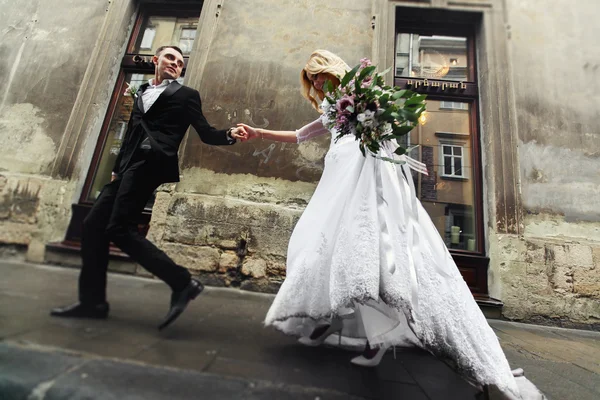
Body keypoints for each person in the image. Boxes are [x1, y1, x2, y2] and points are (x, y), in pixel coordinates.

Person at [239, 50, 545, 399]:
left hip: (362, 180)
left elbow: (383, 137)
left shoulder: (363, 95)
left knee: (371, 258)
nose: (317, 83)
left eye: (319, 75)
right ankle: (328, 320)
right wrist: (257, 133)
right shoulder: (332, 109)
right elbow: (299, 135)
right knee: (317, 246)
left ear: (333, 71)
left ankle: (366, 335)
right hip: (336, 183)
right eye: (311, 79)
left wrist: (377, 146)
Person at [51, 45, 248, 330]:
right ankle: (92, 302)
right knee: (94, 226)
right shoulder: (141, 92)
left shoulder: (186, 96)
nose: (175, 64)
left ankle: (182, 282)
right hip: (128, 168)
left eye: (180, 62)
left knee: (120, 229)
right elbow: (132, 134)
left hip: (150, 164)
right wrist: (117, 170)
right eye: (170, 58)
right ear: (156, 60)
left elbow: (206, 132)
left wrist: (229, 134)